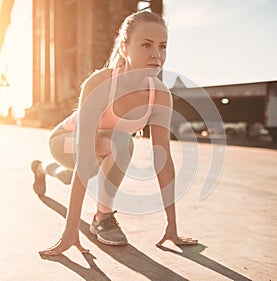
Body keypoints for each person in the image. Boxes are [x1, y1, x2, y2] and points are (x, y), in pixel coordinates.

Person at [39, 10, 197, 256]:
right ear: (124, 47)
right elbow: (83, 155)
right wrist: (70, 231)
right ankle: (102, 218)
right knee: (119, 144)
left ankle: (42, 169)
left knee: (85, 168)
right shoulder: (100, 84)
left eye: (162, 46)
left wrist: (172, 227)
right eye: (146, 45)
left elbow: (162, 160)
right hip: (65, 141)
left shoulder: (160, 95)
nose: (156, 55)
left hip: (100, 151)